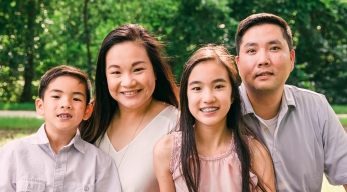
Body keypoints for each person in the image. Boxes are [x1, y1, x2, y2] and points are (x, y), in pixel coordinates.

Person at [235, 13, 347, 192]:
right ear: (238, 64)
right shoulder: (223, 112)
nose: (263, 60)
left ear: (292, 59)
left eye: (274, 48)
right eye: (251, 51)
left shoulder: (316, 107)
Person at [153, 45, 275, 192]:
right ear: (186, 96)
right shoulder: (167, 151)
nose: (208, 98)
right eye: (197, 88)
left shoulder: (255, 154)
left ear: (232, 95)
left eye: (218, 86)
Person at [79, 24, 179, 192]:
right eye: (116, 72)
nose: (128, 82)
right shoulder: (90, 120)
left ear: (154, 71)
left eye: (138, 69)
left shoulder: (176, 125)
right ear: (105, 77)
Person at [0, 65, 121, 192]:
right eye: (56, 96)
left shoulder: (100, 164)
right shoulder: (12, 154)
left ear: (87, 111)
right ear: (40, 106)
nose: (66, 104)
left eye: (76, 99)